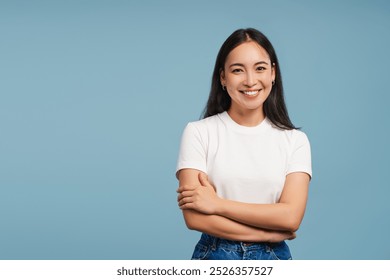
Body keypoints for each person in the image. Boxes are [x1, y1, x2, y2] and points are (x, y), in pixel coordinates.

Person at [175, 28, 312, 260]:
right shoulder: (198, 132)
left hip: (274, 258)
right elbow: (194, 218)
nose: (250, 81)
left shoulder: (295, 141)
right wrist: (267, 235)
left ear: (273, 73)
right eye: (238, 70)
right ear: (223, 77)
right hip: (215, 254)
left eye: (260, 68)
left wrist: (217, 204)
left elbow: (291, 217)